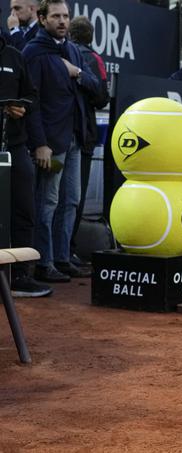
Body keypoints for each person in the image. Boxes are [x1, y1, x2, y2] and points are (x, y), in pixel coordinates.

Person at [23, 0, 99, 282]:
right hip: (51, 143)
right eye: (56, 16)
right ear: (42, 19)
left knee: (71, 201)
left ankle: (62, 257)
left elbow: (95, 87)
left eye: (66, 16)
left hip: (75, 138)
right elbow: (32, 102)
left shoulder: (72, 51)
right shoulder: (33, 52)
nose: (63, 21)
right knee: (48, 202)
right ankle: (43, 262)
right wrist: (40, 143)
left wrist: (77, 72)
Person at [0, 32, 52, 297]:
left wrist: (21, 107)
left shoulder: (15, 56)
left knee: (24, 209)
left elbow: (32, 96)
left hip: (16, 147)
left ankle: (21, 276)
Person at [68, 15, 110, 264]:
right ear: (91, 36)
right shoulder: (94, 59)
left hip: (60, 133)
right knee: (74, 198)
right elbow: (103, 97)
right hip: (82, 134)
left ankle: (55, 254)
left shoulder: (64, 55)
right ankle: (67, 252)